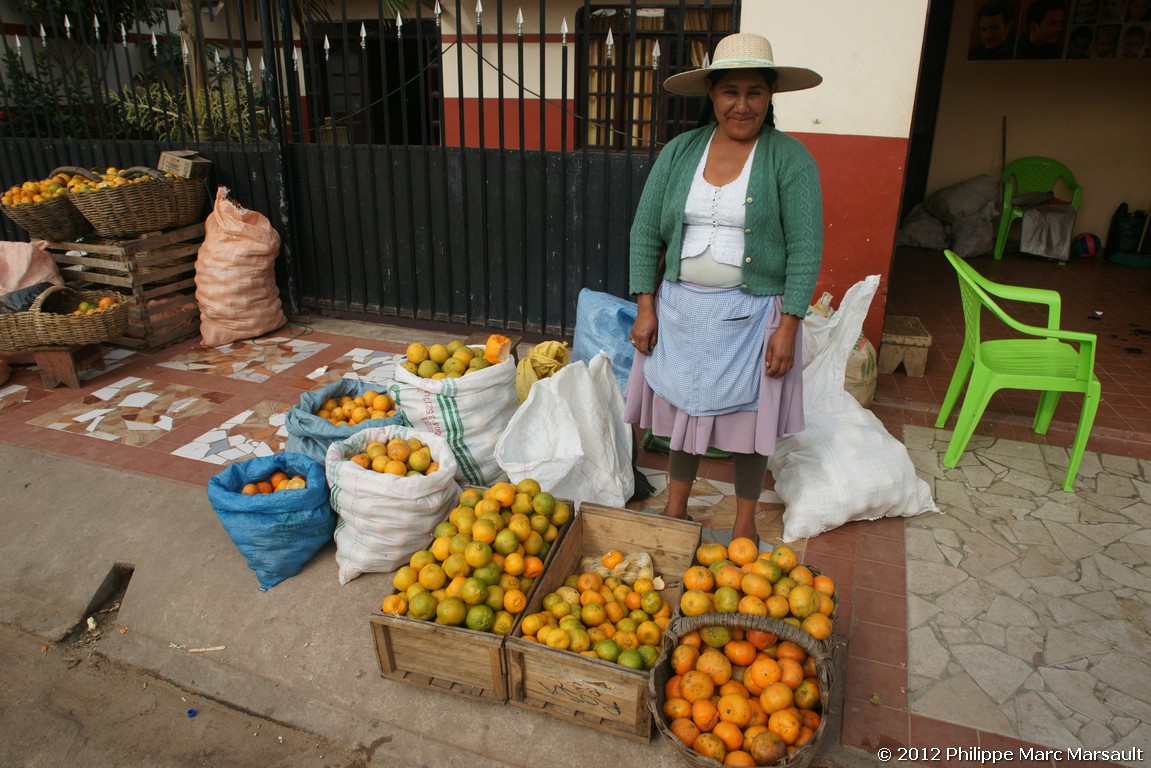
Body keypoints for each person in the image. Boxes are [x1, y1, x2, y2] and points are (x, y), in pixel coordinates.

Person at [623, 32, 823, 545]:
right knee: (689, 411)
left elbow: (806, 247)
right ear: (711, 94)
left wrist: (789, 322)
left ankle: (743, 521)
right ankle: (675, 507)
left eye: (754, 91)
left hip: (755, 315)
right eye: (730, 91)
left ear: (771, 94)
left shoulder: (789, 158)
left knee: (749, 423)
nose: (742, 104)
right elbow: (646, 230)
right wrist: (646, 306)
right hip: (683, 309)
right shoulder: (680, 152)